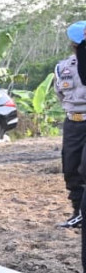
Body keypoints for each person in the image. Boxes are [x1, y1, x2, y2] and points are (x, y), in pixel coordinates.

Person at [55, 25, 86, 230]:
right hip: (73, 122)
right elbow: (60, 94)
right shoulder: (62, 67)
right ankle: (78, 212)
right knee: (71, 168)